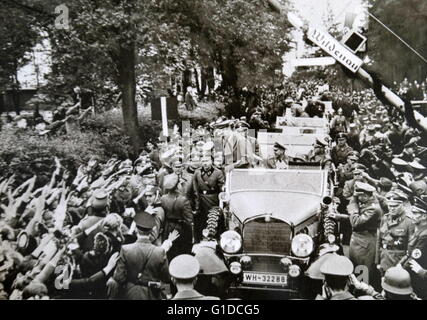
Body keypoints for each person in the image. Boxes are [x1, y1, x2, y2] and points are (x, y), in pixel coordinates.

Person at [108, 211, 172, 300]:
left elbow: (119, 277)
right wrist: (168, 296)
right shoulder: (160, 252)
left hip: (130, 294)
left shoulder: (125, 249)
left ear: (136, 230)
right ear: (152, 231)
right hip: (152, 294)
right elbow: (166, 279)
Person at [348, 182, 382, 281]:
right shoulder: (368, 203)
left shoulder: (372, 208)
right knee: (357, 268)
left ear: (365, 196)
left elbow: (355, 221)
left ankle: (362, 291)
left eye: (359, 196)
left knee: (362, 270)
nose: (357, 199)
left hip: (365, 243)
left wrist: (353, 205)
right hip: (360, 241)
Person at [378, 191, 415, 274]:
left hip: (399, 261)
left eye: (395, 206)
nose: (392, 208)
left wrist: (402, 265)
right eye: (390, 206)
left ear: (403, 205)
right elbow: (379, 241)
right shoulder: (385, 218)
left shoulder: (409, 222)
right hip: (384, 259)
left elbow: (411, 248)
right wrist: (377, 261)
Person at [161, 174, 193, 261]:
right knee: (180, 252)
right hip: (180, 229)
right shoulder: (183, 200)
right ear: (177, 185)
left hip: (167, 228)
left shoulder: (163, 198)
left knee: (169, 252)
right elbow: (189, 220)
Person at [192, 156, 224, 243]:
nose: (205, 163)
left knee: (214, 221)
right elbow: (195, 189)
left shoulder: (218, 172)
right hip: (201, 200)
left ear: (212, 161)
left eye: (207, 161)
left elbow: (222, 190)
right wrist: (197, 204)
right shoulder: (197, 172)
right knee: (202, 222)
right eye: (203, 161)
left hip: (213, 200)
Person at [401, 205, 427, 299]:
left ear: (424, 216)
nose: (412, 215)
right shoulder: (420, 230)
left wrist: (400, 270)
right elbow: (409, 253)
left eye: (415, 213)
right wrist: (399, 265)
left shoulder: (424, 235)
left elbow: (414, 259)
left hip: (419, 276)